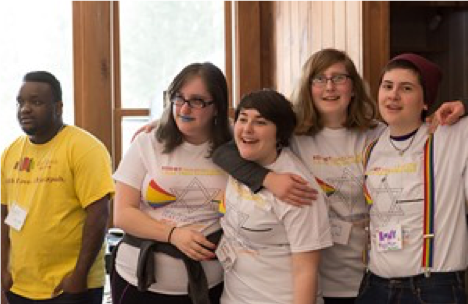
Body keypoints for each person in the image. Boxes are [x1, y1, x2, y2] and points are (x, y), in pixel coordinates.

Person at [211, 48, 466, 304]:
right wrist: (266, 178)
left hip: (367, 274)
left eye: (339, 78)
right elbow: (227, 153)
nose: (329, 87)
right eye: (319, 79)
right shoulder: (293, 136)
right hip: (315, 275)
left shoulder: (377, 135)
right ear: (308, 87)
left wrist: (459, 108)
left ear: (353, 87)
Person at [111, 62, 231, 304]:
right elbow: (122, 215)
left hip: (210, 286)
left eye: (197, 100)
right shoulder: (147, 143)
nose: (184, 108)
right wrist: (173, 235)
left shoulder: (234, 149)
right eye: (179, 98)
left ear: (216, 107)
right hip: (137, 283)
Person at [355, 54, 467, 304]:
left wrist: (464, 105)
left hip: (432, 288)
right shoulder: (371, 146)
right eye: (387, 86)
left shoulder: (451, 136)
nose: (393, 95)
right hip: (375, 286)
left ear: (426, 101)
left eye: (406, 88)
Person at [0, 71, 114, 304]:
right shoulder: (10, 152)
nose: (25, 109)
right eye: (21, 102)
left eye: (36, 102)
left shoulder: (85, 148)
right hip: (20, 284)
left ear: (58, 107)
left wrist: (79, 275)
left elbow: (99, 215)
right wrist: (2, 268)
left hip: (70, 286)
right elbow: (2, 214)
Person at [218, 89, 333, 304]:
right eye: (242, 119)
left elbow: (305, 270)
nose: (247, 129)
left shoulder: (298, 189)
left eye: (260, 122)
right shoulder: (242, 160)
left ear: (280, 133)